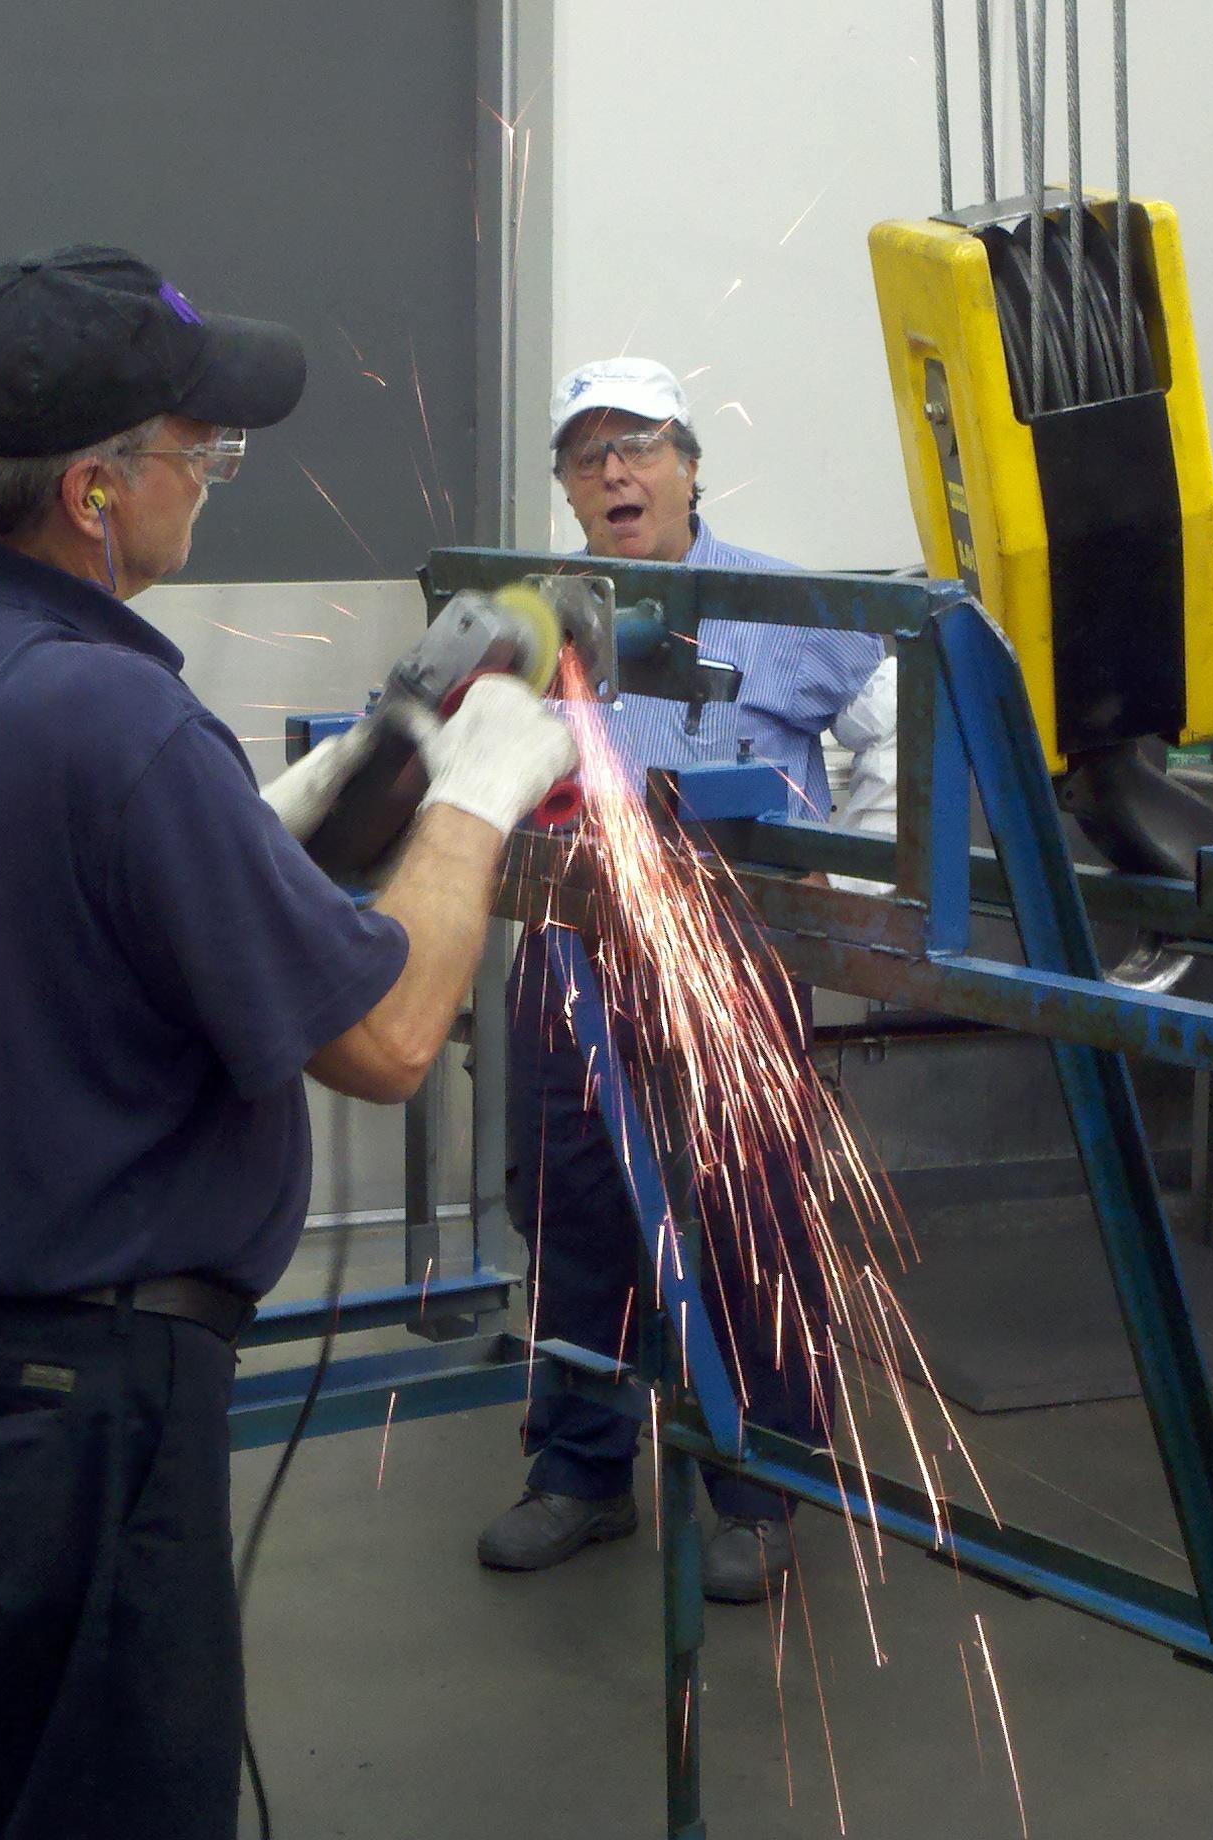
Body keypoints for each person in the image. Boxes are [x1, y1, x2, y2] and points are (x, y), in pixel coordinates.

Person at [0, 245, 575, 1840]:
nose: (212, 480)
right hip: (79, 1406)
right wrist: (485, 783)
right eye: (198, 453)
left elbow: (53, 888)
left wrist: (292, 801)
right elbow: (392, 1035)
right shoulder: (114, 720)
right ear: (92, 489)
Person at [479, 356, 897, 1603]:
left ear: (691, 463)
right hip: (567, 947)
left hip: (731, 952)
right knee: (573, 1207)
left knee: (750, 1210)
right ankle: (578, 1471)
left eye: (643, 444)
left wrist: (849, 891)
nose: (617, 470)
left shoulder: (783, 602)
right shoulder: (534, 615)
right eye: (590, 451)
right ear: (562, 484)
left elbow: (898, 723)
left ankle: (762, 1487)